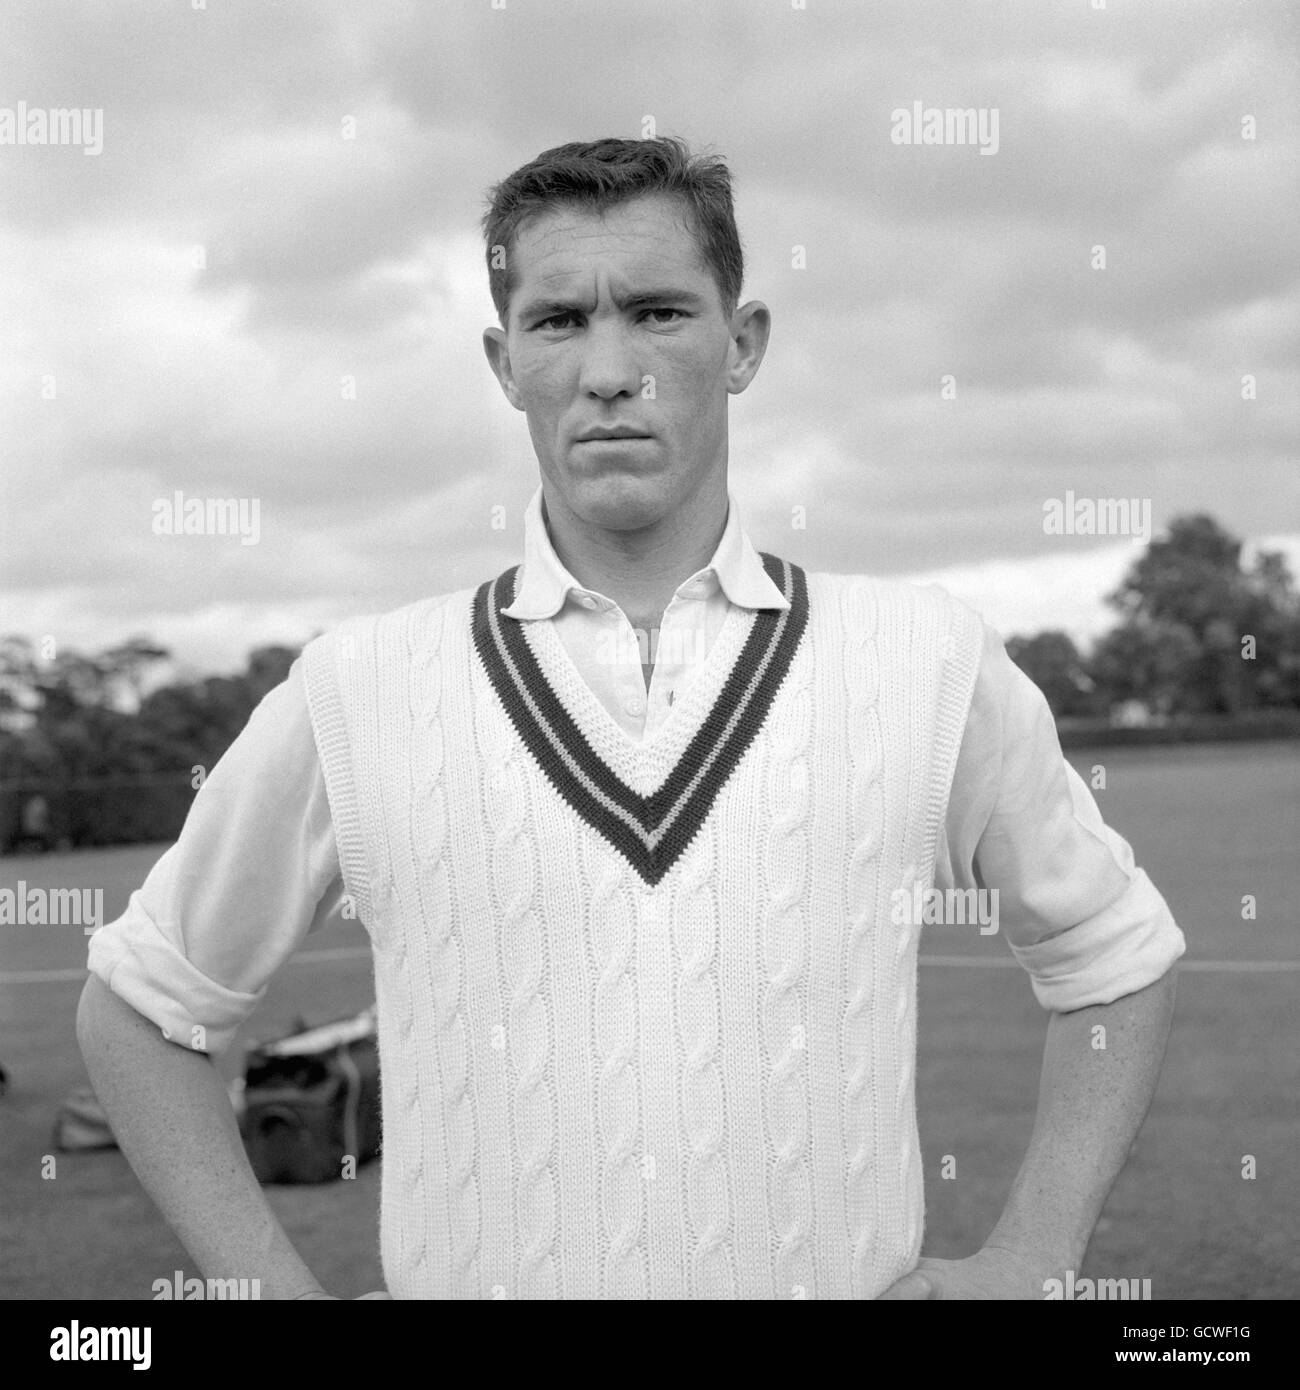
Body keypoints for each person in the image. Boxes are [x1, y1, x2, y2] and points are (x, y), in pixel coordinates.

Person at [78, 136, 1183, 1300]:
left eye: (658, 313)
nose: (610, 369)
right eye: (559, 321)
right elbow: (144, 1008)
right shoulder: (357, 686)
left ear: (742, 342)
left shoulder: (922, 656)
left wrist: (1034, 1256)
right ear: (506, 363)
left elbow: (1115, 954)